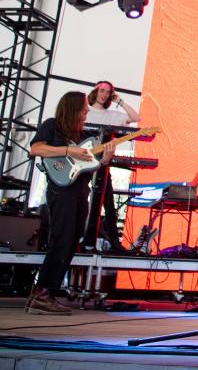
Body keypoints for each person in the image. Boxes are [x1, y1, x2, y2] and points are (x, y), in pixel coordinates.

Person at [26, 91, 113, 315]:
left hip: (79, 191)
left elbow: (87, 167)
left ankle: (46, 293)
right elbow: (35, 149)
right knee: (61, 238)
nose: (86, 111)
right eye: (84, 107)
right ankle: (42, 293)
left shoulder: (82, 134)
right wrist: (67, 150)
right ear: (73, 107)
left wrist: (103, 161)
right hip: (60, 191)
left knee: (73, 239)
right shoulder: (52, 126)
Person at [85, 81, 140, 253]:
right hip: (82, 163)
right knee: (82, 201)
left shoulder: (112, 115)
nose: (104, 94)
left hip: (102, 164)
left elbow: (136, 118)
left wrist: (120, 102)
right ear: (95, 91)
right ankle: (83, 240)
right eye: (102, 91)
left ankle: (114, 243)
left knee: (108, 203)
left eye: (108, 92)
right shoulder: (85, 112)